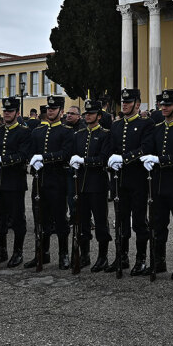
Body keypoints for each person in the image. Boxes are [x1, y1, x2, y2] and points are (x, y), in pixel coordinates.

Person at [140, 89, 173, 279]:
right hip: (158, 184)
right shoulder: (157, 129)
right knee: (157, 224)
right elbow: (148, 149)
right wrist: (147, 158)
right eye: (162, 105)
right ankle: (158, 260)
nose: (163, 108)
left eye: (168, 105)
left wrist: (159, 160)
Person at [107, 88, 155, 274]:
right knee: (121, 220)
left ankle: (141, 258)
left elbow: (146, 148)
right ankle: (122, 256)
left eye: (129, 102)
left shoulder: (146, 124)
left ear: (137, 104)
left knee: (139, 222)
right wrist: (113, 161)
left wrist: (125, 158)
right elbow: (111, 148)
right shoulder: (117, 125)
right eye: (123, 101)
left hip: (138, 180)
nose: (125, 104)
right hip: (120, 181)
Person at [26, 95, 74, 270]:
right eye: (49, 109)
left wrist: (44, 158)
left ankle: (64, 254)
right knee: (41, 219)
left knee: (60, 220)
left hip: (57, 180)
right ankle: (42, 253)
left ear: (61, 111)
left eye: (54, 109)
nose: (50, 111)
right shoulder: (37, 131)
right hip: (40, 181)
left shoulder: (66, 131)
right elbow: (30, 152)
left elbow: (65, 154)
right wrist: (33, 160)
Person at [0, 96, 32, 268]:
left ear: (17, 113)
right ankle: (1, 251)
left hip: (15, 183)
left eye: (10, 111)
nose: (7, 113)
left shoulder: (23, 132)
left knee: (18, 219)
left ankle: (17, 252)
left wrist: (1, 160)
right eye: (5, 110)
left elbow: (22, 156)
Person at [69, 99, 114, 271]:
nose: (88, 116)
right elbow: (73, 155)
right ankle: (85, 254)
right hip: (80, 184)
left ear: (99, 116)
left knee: (101, 221)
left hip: (97, 185)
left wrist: (84, 161)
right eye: (86, 113)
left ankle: (102, 257)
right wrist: (74, 161)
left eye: (92, 113)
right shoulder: (79, 134)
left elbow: (103, 159)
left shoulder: (104, 134)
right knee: (82, 221)